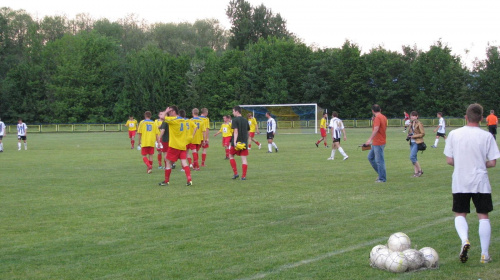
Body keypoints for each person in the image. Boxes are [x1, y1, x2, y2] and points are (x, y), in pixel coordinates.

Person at [444, 103, 500, 264]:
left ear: (466, 117)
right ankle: (484, 254)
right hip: (480, 181)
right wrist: (479, 164)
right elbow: (493, 163)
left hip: (460, 180)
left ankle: (464, 240)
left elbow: (449, 160)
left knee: (460, 213)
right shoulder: (487, 136)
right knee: (483, 215)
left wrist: (463, 163)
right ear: (482, 119)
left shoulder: (454, 134)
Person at [159, 106, 193, 186]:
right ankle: (189, 179)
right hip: (182, 145)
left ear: (173, 111)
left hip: (174, 145)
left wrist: (165, 110)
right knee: (184, 162)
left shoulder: (173, 119)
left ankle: (166, 181)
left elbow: (162, 117)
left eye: (169, 112)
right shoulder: (183, 120)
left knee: (167, 161)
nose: (168, 113)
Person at [365, 104, 387, 183]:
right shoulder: (383, 117)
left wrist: (369, 139)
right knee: (370, 157)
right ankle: (381, 174)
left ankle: (382, 178)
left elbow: (376, 129)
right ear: (380, 110)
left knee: (379, 161)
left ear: (372, 111)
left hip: (378, 142)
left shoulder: (377, 118)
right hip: (378, 141)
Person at [229, 106, 250, 180]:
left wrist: (234, 141)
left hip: (236, 142)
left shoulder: (234, 120)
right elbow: (248, 132)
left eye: (233, 111)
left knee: (231, 156)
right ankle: (243, 176)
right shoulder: (245, 120)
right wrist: (245, 140)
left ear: (237, 111)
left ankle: (235, 173)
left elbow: (236, 131)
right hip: (244, 142)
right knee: (244, 159)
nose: (233, 112)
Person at [407, 111, 425, 177]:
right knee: (414, 157)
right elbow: (410, 132)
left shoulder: (419, 124)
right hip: (411, 142)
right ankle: (416, 173)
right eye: (411, 116)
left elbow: (423, 133)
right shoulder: (411, 123)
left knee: (412, 157)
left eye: (414, 116)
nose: (412, 117)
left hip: (417, 142)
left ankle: (420, 170)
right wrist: (409, 135)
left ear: (417, 116)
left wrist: (414, 136)